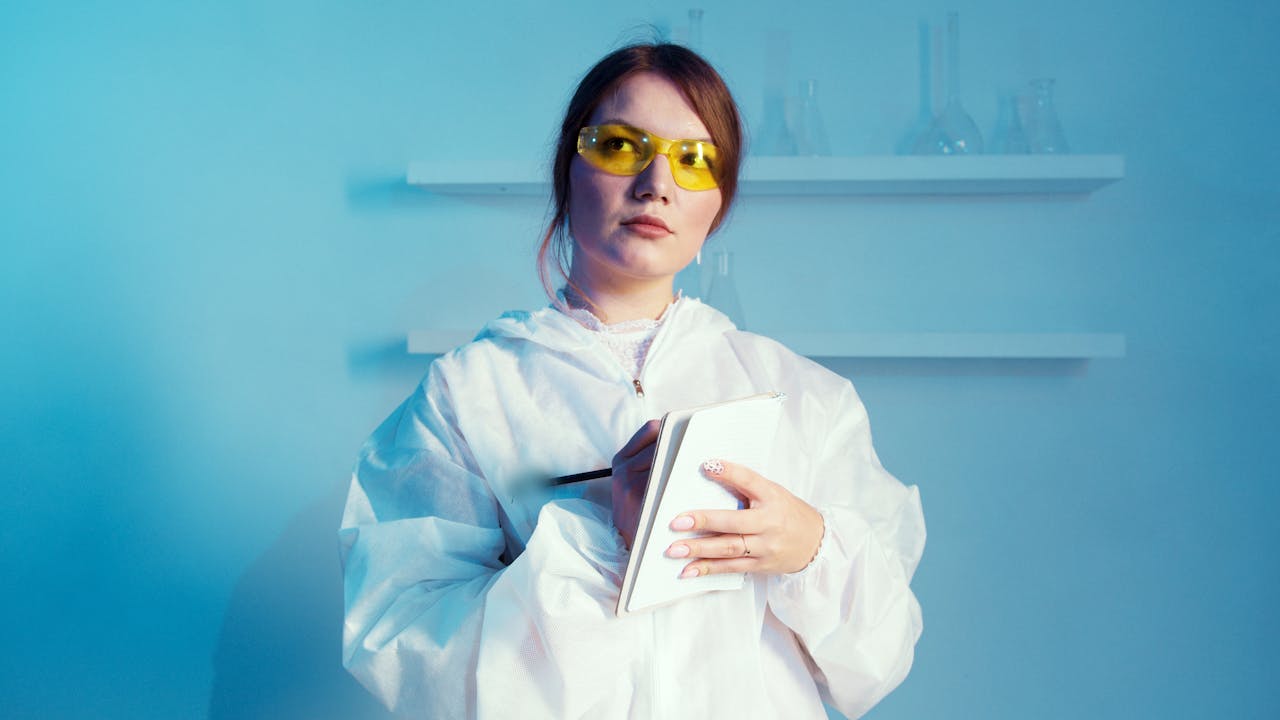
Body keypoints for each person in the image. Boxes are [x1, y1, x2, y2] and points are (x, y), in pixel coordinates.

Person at [340, 42, 925, 719]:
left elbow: (879, 659)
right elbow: (409, 657)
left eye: (694, 159)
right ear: (567, 173)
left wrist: (809, 551)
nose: (656, 183)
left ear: (719, 205)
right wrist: (605, 546)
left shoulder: (805, 397)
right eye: (620, 146)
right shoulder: (468, 396)